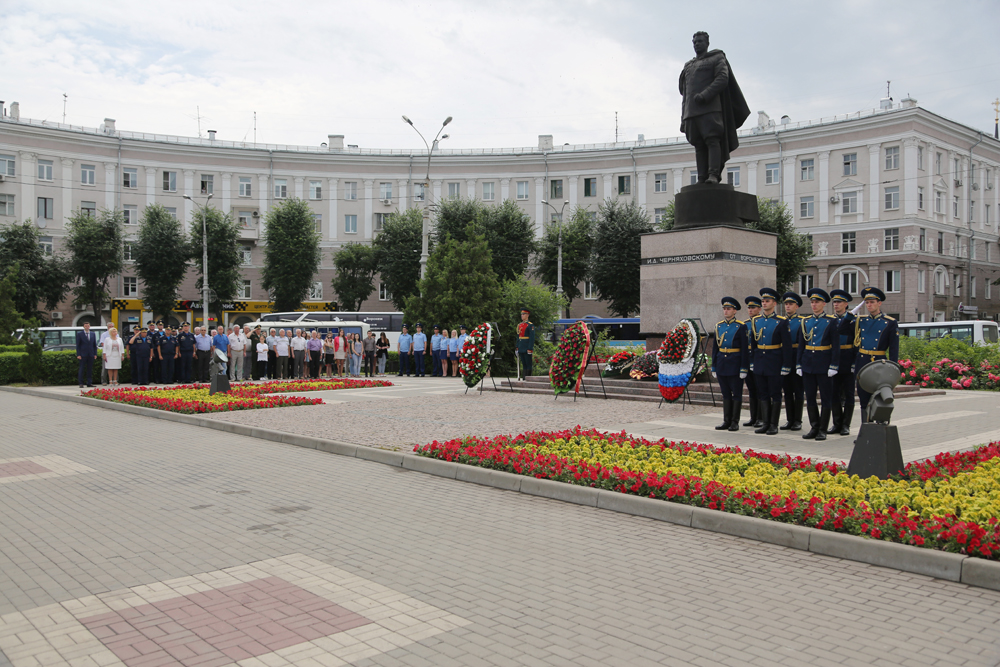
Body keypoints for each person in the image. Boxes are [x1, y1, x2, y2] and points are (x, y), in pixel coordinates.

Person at [678, 31, 750, 185]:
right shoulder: (688, 66)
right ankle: (701, 177)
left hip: (710, 108)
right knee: (698, 145)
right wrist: (683, 118)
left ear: (707, 43)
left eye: (700, 41)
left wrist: (705, 95)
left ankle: (713, 175)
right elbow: (685, 94)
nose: (697, 44)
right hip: (691, 112)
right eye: (695, 42)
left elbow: (723, 78)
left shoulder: (716, 58)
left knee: (712, 140)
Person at [796, 288, 840, 441]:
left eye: (817, 302)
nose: (814, 305)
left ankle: (823, 429)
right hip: (808, 363)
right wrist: (799, 364)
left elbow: (836, 346)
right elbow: (801, 345)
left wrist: (834, 365)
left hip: (824, 363)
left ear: (824, 304)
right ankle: (814, 427)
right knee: (810, 397)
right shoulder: (805, 321)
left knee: (826, 398)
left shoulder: (831, 321)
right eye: (812, 302)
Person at [748, 288, 793, 435]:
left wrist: (786, 365)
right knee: (763, 393)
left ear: (774, 303)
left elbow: (787, 346)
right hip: (760, 360)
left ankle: (774, 424)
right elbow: (754, 343)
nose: (765, 303)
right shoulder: (756, 321)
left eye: (767, 301)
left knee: (775, 394)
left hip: (775, 361)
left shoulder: (781, 321)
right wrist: (753, 361)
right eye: (763, 301)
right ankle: (765, 423)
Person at [854, 287, 899, 424]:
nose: (869, 305)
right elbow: (842, 329)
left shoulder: (889, 322)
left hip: (879, 362)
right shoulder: (860, 320)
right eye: (867, 303)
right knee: (863, 399)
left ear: (879, 303)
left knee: (881, 398)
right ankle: (866, 430)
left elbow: (893, 348)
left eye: (872, 302)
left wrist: (893, 369)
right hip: (863, 361)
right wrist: (852, 313)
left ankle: (881, 428)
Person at [711, 297, 749, 431]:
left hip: (735, 363)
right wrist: (714, 366)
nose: (726, 311)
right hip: (722, 362)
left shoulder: (740, 326)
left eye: (729, 309)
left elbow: (745, 349)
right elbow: (715, 347)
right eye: (724, 309)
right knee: (725, 393)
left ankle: (734, 421)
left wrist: (744, 367)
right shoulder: (719, 326)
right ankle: (726, 420)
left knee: (736, 394)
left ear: (735, 311)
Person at [828, 289, 857, 436]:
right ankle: (836, 423)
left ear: (846, 304)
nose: (836, 304)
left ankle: (846, 425)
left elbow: (857, 343)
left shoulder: (853, 320)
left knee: (849, 394)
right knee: (834, 393)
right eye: (834, 302)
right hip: (834, 360)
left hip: (847, 357)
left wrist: (854, 363)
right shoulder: (831, 320)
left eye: (839, 302)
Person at [780, 292, 805, 431]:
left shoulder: (801, 321)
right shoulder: (781, 321)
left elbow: (802, 342)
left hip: (796, 356)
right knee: (787, 391)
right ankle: (789, 419)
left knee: (798, 390)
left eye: (791, 304)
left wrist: (800, 362)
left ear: (797, 306)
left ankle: (798, 420)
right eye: (786, 304)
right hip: (784, 357)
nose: (788, 306)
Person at [742, 297, 763, 428]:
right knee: (751, 390)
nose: (750, 310)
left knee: (761, 390)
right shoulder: (745, 324)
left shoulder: (761, 322)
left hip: (759, 360)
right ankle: (753, 417)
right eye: (749, 308)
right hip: (748, 359)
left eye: (753, 308)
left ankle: (761, 417)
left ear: (759, 309)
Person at [76, 322, 99, 388]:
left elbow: (94, 345)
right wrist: (78, 354)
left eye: (88, 326)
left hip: (91, 354)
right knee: (82, 368)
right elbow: (78, 345)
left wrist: (95, 353)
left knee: (90, 369)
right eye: (85, 326)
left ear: (89, 326)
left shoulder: (92, 334)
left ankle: (89, 382)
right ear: (83, 326)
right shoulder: (80, 334)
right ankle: (81, 383)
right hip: (83, 354)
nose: (87, 327)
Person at [517, 308, 535, 379]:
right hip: (521, 346)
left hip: (527, 346)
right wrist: (517, 346)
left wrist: (530, 348)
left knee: (528, 363)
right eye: (521, 314)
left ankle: (528, 377)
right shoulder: (520, 325)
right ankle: (524, 377)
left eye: (523, 314)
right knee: (524, 363)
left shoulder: (530, 325)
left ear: (527, 315)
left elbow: (532, 338)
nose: (522, 316)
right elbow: (518, 336)